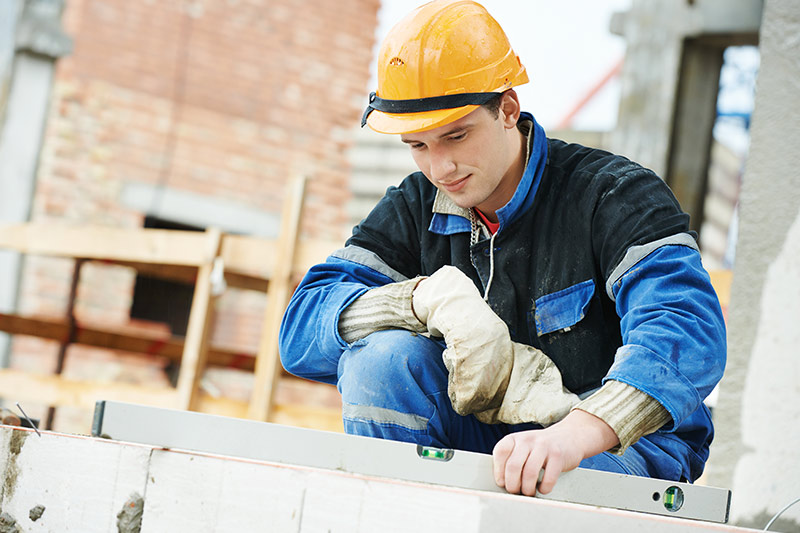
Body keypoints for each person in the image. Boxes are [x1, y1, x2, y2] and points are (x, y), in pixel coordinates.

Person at [279, 0, 726, 496]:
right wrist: (417, 301)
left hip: (613, 448)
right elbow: (300, 333)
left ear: (508, 109)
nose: (441, 168)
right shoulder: (414, 204)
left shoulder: (612, 194)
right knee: (381, 360)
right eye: (419, 145)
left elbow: (688, 334)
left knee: (547, 485)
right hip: (485, 433)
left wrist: (573, 434)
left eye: (456, 135)